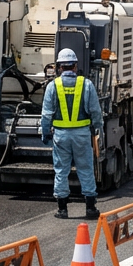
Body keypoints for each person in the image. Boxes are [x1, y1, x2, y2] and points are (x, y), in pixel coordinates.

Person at [41, 48, 104, 220]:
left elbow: (46, 114)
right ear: (75, 66)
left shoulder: (53, 86)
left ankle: (62, 210)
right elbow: (95, 112)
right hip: (82, 135)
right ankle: (90, 208)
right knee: (85, 169)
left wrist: (45, 134)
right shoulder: (87, 84)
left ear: (59, 67)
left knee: (61, 170)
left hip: (61, 135)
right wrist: (98, 128)